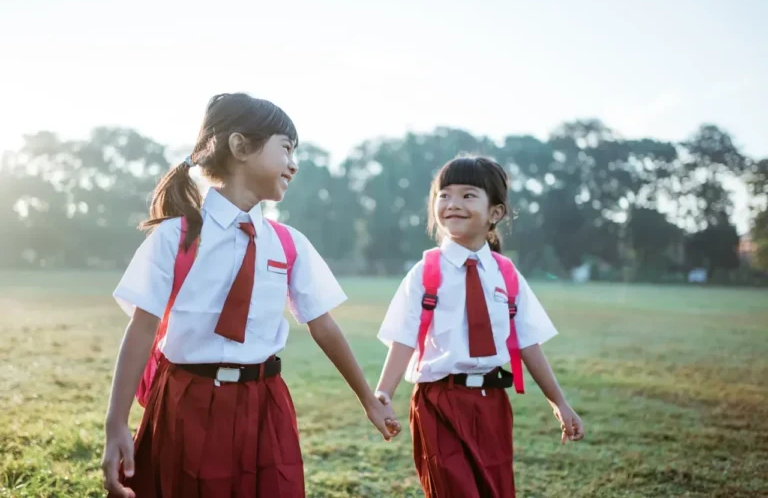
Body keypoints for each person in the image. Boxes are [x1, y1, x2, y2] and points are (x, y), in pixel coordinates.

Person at [100, 93, 401, 498]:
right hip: (186, 402)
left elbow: (324, 326)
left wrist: (368, 399)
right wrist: (116, 422)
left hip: (265, 404)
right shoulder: (175, 237)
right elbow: (141, 328)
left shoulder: (288, 244)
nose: (294, 164)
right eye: (287, 148)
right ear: (241, 147)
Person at [374, 155, 584, 497]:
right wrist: (383, 393)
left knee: (496, 489)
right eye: (445, 194)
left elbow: (528, 343)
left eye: (468, 195)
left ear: (495, 213)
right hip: (437, 402)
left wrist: (559, 402)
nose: (453, 204)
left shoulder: (507, 275)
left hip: (492, 404)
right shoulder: (425, 273)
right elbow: (404, 339)